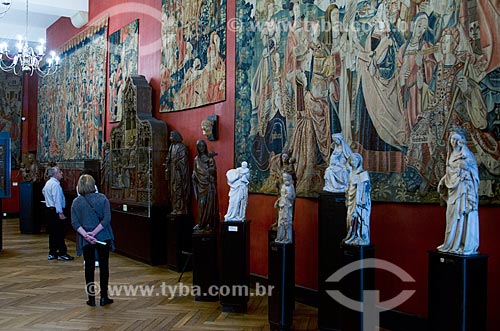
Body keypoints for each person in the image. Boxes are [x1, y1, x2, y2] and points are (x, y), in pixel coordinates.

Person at [71, 174, 115, 307]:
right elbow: (107, 219)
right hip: (102, 237)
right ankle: (104, 297)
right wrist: (95, 233)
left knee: (89, 268)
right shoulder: (102, 199)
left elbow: (75, 222)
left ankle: (91, 298)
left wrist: (87, 236)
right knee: (104, 267)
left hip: (86, 239)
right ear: (93, 185)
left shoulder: (76, 202)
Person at [436, 131, 479, 255]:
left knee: (462, 215)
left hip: (464, 191)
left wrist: (464, 167)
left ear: (462, 140)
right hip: (453, 190)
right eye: (452, 139)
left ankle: (463, 244)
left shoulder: (466, 154)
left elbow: (474, 172)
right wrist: (443, 180)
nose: (454, 141)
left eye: (456, 139)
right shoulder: (451, 155)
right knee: (451, 216)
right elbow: (450, 171)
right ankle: (450, 243)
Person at [42, 166, 74, 261]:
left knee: (53, 233)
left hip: (49, 210)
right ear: (56, 174)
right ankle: (62, 253)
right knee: (59, 233)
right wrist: (60, 212)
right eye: (60, 172)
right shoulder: (55, 185)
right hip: (55, 211)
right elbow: (57, 200)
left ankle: (52, 252)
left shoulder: (48, 182)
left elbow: (43, 191)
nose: (62, 173)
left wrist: (48, 199)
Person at [343, 153, 371, 246]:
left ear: (359, 161)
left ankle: (360, 237)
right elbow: (348, 187)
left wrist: (359, 183)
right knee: (350, 218)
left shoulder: (363, 173)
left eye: (355, 160)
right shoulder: (350, 173)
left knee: (358, 218)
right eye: (352, 160)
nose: (353, 162)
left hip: (359, 202)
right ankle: (352, 235)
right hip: (351, 200)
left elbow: (367, 188)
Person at [192, 140, 219, 231]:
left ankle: (208, 224)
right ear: (197, 148)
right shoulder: (196, 159)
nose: (202, 148)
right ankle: (201, 223)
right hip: (200, 186)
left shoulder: (210, 159)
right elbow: (195, 171)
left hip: (209, 185)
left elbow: (214, 170)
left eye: (203, 146)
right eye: (199, 146)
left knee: (209, 205)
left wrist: (209, 171)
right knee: (201, 204)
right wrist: (194, 175)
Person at [164, 131, 190, 215]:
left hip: (178, 171)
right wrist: (167, 163)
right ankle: (175, 207)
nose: (170, 138)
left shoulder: (182, 147)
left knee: (179, 188)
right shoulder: (171, 146)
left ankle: (180, 208)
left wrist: (178, 164)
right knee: (173, 189)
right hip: (172, 170)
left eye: (172, 136)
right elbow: (168, 157)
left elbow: (183, 160)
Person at [275, 173, 296, 244]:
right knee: (280, 222)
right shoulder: (283, 186)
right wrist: (278, 201)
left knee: (287, 222)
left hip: (287, 206)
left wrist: (288, 196)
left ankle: (287, 238)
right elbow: (282, 195)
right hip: (282, 206)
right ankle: (280, 237)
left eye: (286, 178)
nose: (284, 179)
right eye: (284, 177)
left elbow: (293, 197)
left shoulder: (291, 186)